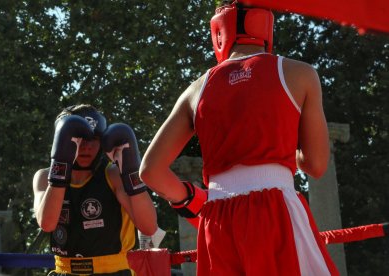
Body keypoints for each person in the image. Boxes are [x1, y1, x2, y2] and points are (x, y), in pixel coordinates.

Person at [139, 1, 339, 275]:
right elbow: (315, 164)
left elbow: (150, 171)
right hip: (275, 209)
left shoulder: (196, 89)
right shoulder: (300, 73)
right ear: (266, 27)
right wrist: (274, 146)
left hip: (216, 217)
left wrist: (191, 199)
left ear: (219, 32)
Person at [33, 104, 158, 275]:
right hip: (64, 271)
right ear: (62, 140)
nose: (87, 146)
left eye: (94, 139)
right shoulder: (44, 178)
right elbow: (47, 223)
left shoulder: (113, 175)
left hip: (114, 271)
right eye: (79, 138)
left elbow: (149, 227)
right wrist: (61, 166)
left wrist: (131, 174)